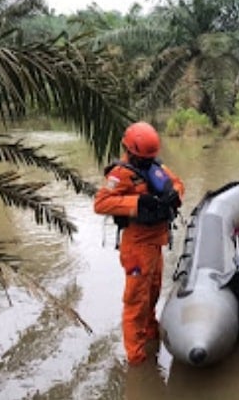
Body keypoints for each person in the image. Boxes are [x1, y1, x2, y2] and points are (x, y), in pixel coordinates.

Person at [94, 121, 184, 366]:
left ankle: (151, 334)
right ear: (131, 152)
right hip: (137, 246)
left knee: (153, 291)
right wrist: (136, 203)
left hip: (156, 243)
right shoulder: (119, 175)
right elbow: (101, 204)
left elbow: (177, 183)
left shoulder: (155, 166)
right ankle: (136, 358)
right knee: (135, 301)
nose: (147, 161)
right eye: (143, 157)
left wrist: (174, 194)